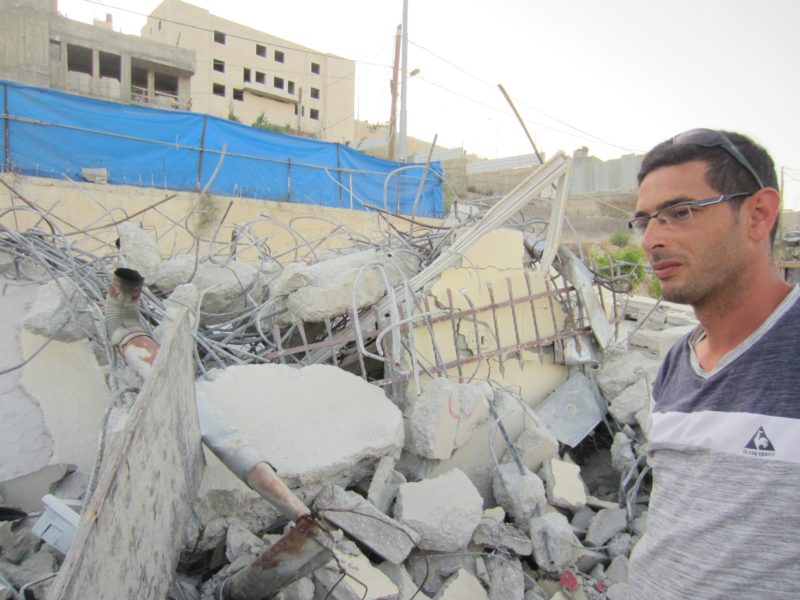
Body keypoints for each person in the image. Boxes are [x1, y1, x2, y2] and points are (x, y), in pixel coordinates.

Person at [625, 129, 800, 599]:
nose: (651, 240)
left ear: (758, 214)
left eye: (679, 213)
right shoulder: (674, 366)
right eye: (644, 222)